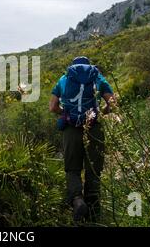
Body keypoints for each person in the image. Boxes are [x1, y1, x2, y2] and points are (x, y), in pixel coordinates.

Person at [49, 56, 115, 222]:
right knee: (94, 169)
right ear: (89, 65)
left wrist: (65, 113)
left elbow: (52, 107)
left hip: (71, 129)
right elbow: (113, 103)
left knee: (72, 168)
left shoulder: (64, 78)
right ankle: (94, 212)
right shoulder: (97, 77)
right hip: (94, 127)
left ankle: (77, 200)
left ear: (72, 66)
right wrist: (100, 113)